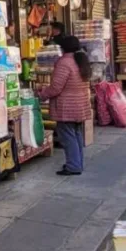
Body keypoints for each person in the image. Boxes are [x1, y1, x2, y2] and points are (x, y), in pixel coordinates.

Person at [37, 36, 92, 176]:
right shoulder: (81, 60)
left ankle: (73, 166)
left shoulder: (65, 62)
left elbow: (56, 87)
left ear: (63, 48)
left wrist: (42, 94)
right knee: (76, 135)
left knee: (68, 137)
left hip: (67, 107)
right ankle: (77, 163)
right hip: (79, 105)